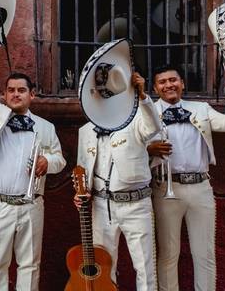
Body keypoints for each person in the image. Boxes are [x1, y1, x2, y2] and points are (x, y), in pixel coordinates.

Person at [0, 52, 65, 291]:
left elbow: (60, 159)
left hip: (32, 205)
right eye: (11, 90)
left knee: (30, 264)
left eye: (21, 90)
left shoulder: (45, 127)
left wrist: (47, 162)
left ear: (32, 95)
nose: (16, 94)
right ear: (5, 95)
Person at [149, 65, 225, 291]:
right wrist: (148, 149)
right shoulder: (147, 111)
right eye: (162, 82)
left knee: (204, 253)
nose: (169, 85)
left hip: (201, 187)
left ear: (182, 83)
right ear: (155, 88)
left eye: (173, 80)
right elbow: (133, 146)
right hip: (165, 188)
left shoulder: (200, 108)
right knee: (168, 253)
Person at [74, 70, 163, 291]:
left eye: (108, 93)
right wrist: (80, 194)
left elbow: (153, 127)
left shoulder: (135, 121)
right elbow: (82, 168)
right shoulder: (85, 131)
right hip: (101, 207)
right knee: (103, 265)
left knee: (144, 266)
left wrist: (143, 96)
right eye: (99, 93)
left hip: (136, 204)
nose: (104, 97)